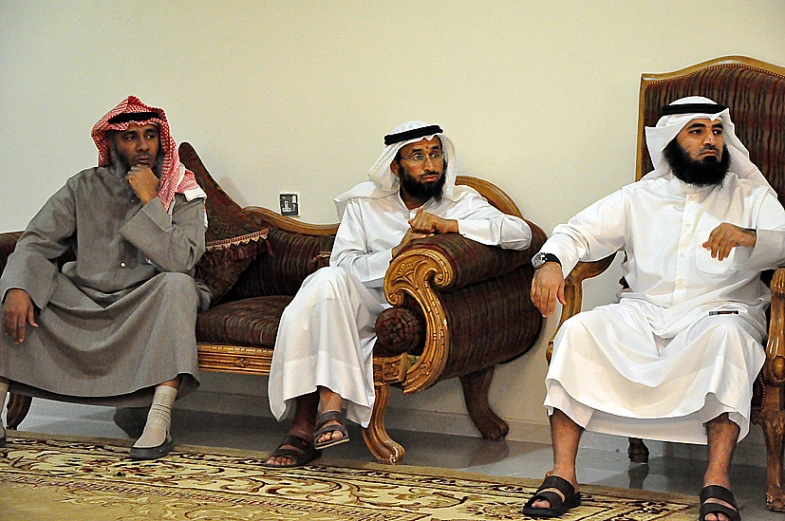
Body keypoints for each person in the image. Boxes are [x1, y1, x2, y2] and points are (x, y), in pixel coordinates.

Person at [525, 96, 785, 521]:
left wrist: (751, 235)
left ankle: (717, 482)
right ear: (670, 141)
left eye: (717, 131)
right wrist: (550, 262)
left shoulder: (751, 195)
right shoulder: (639, 196)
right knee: (579, 331)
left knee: (729, 341)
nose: (710, 141)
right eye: (696, 132)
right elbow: (578, 232)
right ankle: (563, 475)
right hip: (643, 314)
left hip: (720, 315)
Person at [263, 121, 533, 468]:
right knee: (324, 282)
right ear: (396, 166)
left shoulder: (461, 202)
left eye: (435, 154)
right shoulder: (365, 204)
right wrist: (394, 254)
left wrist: (452, 226)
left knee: (317, 301)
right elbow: (343, 264)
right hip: (360, 300)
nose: (431, 165)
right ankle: (328, 411)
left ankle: (304, 428)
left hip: (409, 307)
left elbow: (521, 235)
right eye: (417, 156)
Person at [0, 96, 209, 460]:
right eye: (130, 137)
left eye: (149, 136)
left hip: (144, 301)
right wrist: (18, 287)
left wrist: (151, 203)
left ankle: (158, 422)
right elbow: (36, 241)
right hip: (84, 298)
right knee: (19, 286)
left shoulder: (182, 191)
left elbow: (181, 260)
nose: (142, 146)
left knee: (179, 286)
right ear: (111, 143)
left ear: (162, 141)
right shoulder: (82, 187)